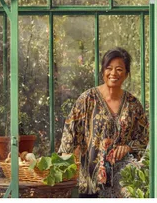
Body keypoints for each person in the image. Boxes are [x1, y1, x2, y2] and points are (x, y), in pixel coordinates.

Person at [58, 47, 149, 198]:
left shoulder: (133, 105)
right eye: (109, 68)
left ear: (126, 74)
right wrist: (63, 167)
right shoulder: (87, 99)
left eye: (119, 69)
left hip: (123, 185)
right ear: (102, 72)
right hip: (91, 184)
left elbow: (144, 138)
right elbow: (70, 133)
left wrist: (128, 147)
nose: (113, 73)